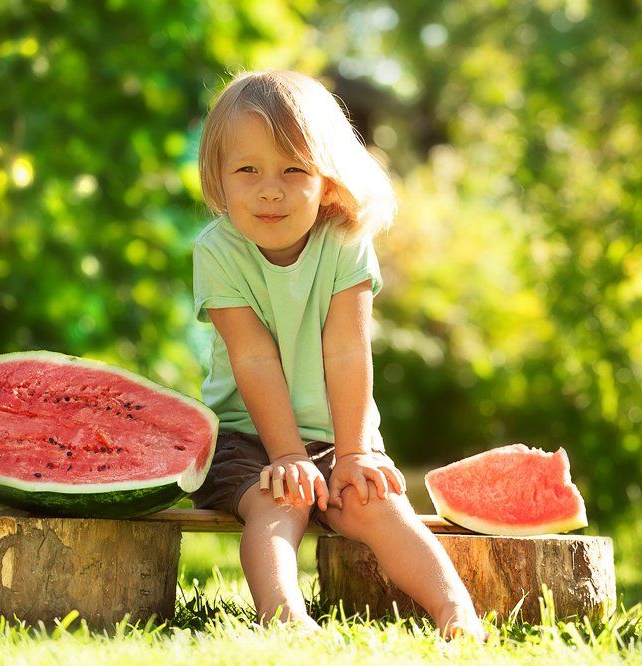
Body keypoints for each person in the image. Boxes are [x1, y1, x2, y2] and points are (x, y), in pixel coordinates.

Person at [190, 70, 485, 640]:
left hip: (341, 433)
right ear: (219, 179)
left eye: (293, 170)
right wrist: (286, 456)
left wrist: (352, 453)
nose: (269, 189)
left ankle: (456, 612)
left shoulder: (345, 241)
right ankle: (287, 620)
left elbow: (348, 350)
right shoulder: (217, 251)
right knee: (278, 508)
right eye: (247, 170)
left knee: (381, 510)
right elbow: (252, 358)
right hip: (246, 434)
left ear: (327, 181)